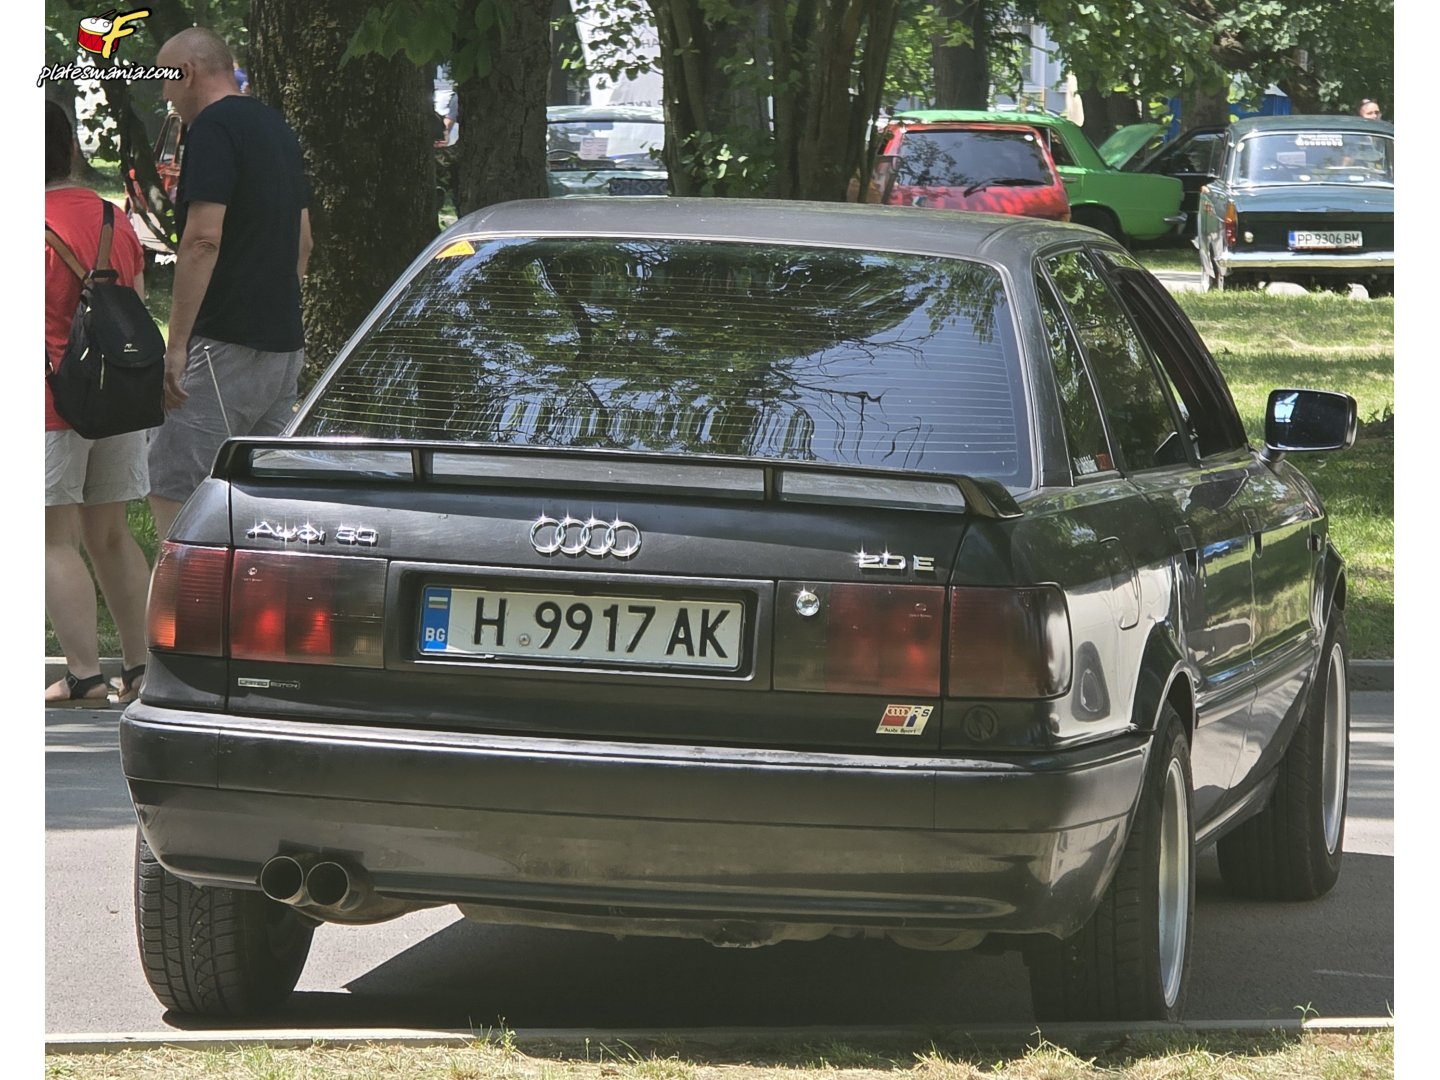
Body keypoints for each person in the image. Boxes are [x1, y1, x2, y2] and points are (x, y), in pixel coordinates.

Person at [146, 27, 313, 541]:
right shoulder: (274, 125)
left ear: (188, 72)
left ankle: (181, 615)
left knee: (175, 488)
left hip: (223, 347)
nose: (166, 98)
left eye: (166, 83)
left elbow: (201, 241)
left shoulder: (213, 128)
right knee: (256, 497)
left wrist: (177, 348)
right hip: (283, 344)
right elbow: (304, 241)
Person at [44, 101, 154, 707]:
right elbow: (133, 307)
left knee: (51, 540)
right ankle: (141, 670)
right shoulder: (113, 217)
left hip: (49, 403)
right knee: (111, 536)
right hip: (118, 399)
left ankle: (84, 675)